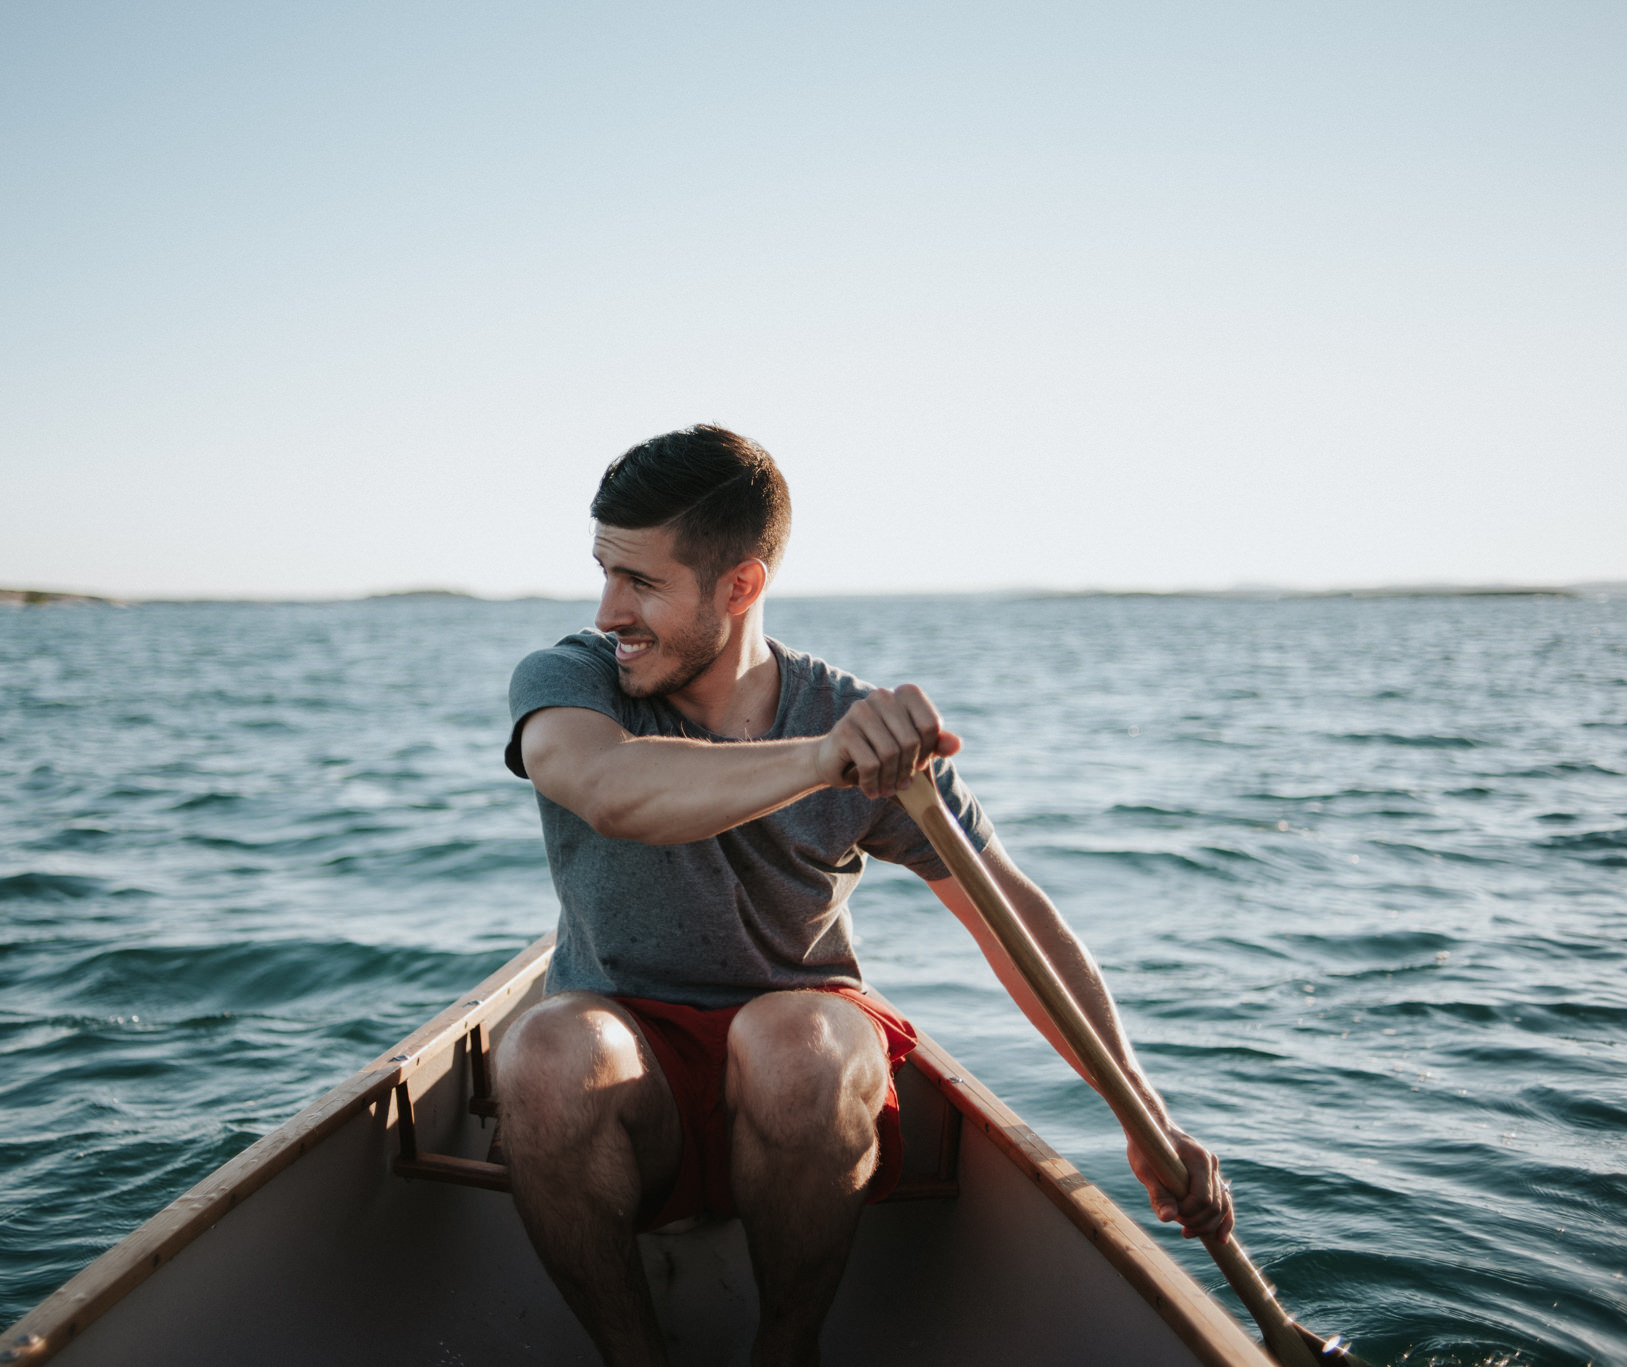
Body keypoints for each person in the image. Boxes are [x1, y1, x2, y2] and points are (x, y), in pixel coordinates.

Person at [497, 425, 1234, 1367]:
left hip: (804, 1067)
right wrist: (822, 761)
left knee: (795, 1040)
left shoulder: (854, 724)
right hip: (631, 1066)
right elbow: (610, 787)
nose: (609, 610)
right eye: (604, 571)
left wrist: (1145, 1114)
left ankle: (788, 1350)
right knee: (547, 1050)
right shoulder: (573, 680)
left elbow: (1010, 917)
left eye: (641, 582)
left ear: (741, 586)